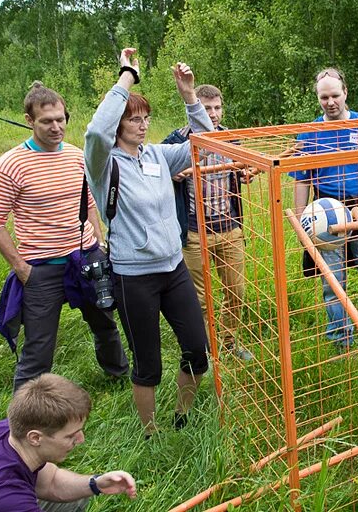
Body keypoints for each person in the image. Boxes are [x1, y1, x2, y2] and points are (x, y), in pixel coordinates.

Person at [84, 49, 212, 436]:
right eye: (134, 120)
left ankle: (181, 416)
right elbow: (94, 132)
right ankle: (150, 432)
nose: (142, 126)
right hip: (133, 277)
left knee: (196, 350)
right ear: (119, 124)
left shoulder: (158, 155)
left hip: (172, 269)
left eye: (146, 119)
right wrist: (127, 77)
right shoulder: (103, 164)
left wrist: (190, 96)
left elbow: (206, 143)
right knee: (148, 364)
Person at [0, 81, 128, 391]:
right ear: (29, 120)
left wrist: (97, 240)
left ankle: (118, 379)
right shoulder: (10, 165)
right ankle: (25, 414)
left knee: (105, 325)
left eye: (61, 119)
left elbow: (88, 201)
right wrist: (22, 270)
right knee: (39, 347)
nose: (56, 127)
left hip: (86, 258)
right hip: (41, 268)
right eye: (47, 121)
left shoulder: (77, 157)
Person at [291, 67, 358, 353]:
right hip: (325, 214)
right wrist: (301, 223)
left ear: (346, 92)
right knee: (333, 284)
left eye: (335, 95)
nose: (330, 102)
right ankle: (342, 342)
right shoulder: (309, 134)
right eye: (324, 97)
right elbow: (301, 182)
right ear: (317, 97)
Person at [0, 374, 137, 512]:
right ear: (35, 437)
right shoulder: (5, 498)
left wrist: (95, 484)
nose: (81, 440)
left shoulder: (10, 432)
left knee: (73, 501)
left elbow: (51, 483)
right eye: (71, 436)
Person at [163, 84, 252, 361]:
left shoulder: (230, 138)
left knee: (236, 291)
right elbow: (154, 174)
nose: (212, 114)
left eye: (216, 107)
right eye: (206, 108)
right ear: (194, 109)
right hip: (192, 232)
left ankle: (229, 342)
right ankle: (205, 349)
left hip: (229, 228)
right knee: (198, 299)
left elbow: (241, 171)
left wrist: (245, 173)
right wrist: (171, 175)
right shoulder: (175, 142)